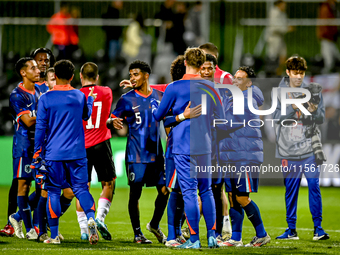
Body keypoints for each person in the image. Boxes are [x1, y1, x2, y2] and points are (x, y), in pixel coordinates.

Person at [153, 47, 224, 249]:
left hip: (183, 145)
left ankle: (194, 239)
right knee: (207, 191)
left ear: (185, 62)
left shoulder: (174, 87)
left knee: (190, 192)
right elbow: (220, 115)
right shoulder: (210, 87)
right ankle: (212, 237)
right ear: (202, 66)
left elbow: (157, 116)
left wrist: (179, 117)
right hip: (205, 144)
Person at [32, 60, 99, 244]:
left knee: (53, 192)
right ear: (71, 76)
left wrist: (37, 153)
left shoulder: (45, 98)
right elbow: (86, 116)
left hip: (54, 154)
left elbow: (40, 128)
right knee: (81, 189)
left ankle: (54, 236)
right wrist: (91, 100)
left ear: (55, 76)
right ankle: (91, 216)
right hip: (77, 152)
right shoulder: (79, 95)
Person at [107, 60, 169, 244]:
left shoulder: (160, 96)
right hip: (136, 154)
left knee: (165, 190)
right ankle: (137, 234)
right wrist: (112, 122)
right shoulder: (127, 99)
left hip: (157, 153)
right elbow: (111, 118)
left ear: (146, 75)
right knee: (135, 194)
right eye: (131, 75)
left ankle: (155, 225)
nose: (132, 78)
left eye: (136, 74)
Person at [273, 56, 329, 241]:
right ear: (288, 72)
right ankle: (291, 230)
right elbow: (276, 117)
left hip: (309, 149)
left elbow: (321, 117)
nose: (299, 76)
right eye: (295, 73)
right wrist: (294, 107)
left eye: (302, 73)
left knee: (314, 186)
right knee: (291, 190)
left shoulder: (312, 90)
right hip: (288, 150)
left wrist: (312, 111)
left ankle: (318, 229)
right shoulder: (279, 92)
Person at [218, 66, 270, 247]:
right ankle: (236, 238)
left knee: (241, 197)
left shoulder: (247, 98)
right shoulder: (232, 97)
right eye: (234, 77)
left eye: (239, 79)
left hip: (244, 155)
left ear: (249, 83)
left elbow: (230, 123)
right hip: (231, 154)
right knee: (232, 196)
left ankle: (262, 234)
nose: (234, 81)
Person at [76, 62, 116, 241]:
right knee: (108, 183)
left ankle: (84, 229)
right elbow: (106, 116)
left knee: (82, 187)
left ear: (80, 76)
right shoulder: (107, 91)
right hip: (101, 143)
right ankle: (99, 218)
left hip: (81, 146)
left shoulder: (76, 95)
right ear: (97, 77)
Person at [199, 42, 232, 239]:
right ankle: (219, 227)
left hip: (221, 139)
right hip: (202, 139)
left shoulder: (225, 78)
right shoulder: (196, 77)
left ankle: (224, 226)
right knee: (207, 185)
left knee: (220, 186)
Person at [8, 57, 41, 240]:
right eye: (33, 68)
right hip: (23, 145)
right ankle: (30, 230)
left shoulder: (38, 91)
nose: (38, 70)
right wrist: (47, 113)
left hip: (39, 145)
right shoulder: (16, 95)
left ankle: (16, 217)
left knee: (44, 186)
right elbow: (27, 121)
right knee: (24, 185)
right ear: (23, 72)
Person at [266, 0, 294, 76]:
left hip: (280, 37)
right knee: (273, 56)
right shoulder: (274, 12)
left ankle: (279, 72)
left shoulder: (282, 13)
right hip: (274, 37)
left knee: (283, 55)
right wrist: (287, 29)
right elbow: (275, 27)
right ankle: (272, 73)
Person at [317, 0, 340, 73]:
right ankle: (324, 76)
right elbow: (325, 24)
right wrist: (329, 34)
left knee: (335, 57)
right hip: (326, 37)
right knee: (328, 61)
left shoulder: (331, 8)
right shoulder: (325, 8)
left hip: (330, 38)